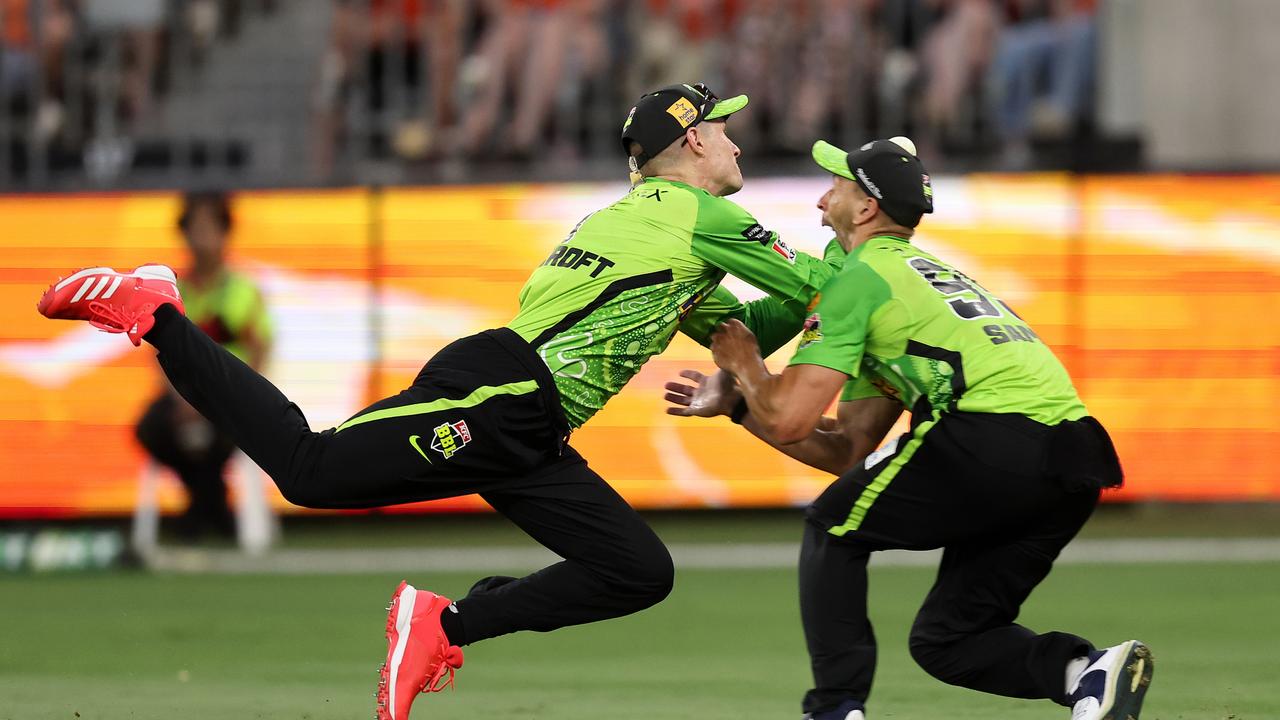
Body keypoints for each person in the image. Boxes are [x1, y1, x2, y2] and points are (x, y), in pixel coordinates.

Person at [37, 82, 845, 720]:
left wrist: (775, 343)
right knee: (310, 470)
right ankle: (156, 311)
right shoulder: (702, 213)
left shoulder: (642, 221)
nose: (738, 140)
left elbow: (747, 325)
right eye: (726, 127)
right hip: (502, 397)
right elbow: (827, 292)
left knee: (636, 571)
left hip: (528, 420)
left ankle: (444, 626)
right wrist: (885, 272)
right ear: (694, 139)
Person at [664, 136, 1152, 720]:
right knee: (948, 640)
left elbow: (790, 416)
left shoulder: (860, 281)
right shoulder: (922, 278)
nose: (823, 200)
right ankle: (1085, 674)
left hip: (990, 433)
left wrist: (744, 365)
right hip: (1071, 454)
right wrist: (743, 406)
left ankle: (835, 707)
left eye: (837, 187)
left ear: (867, 208)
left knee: (831, 528)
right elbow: (849, 451)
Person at [134, 191, 272, 541]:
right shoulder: (172, 291)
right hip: (184, 393)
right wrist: (181, 398)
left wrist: (241, 390)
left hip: (229, 393)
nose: (202, 239)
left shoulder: (244, 290)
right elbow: (157, 353)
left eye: (210, 228)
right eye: (195, 229)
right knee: (149, 429)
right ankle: (212, 505)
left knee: (231, 432)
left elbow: (260, 347)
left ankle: (199, 512)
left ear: (225, 233)